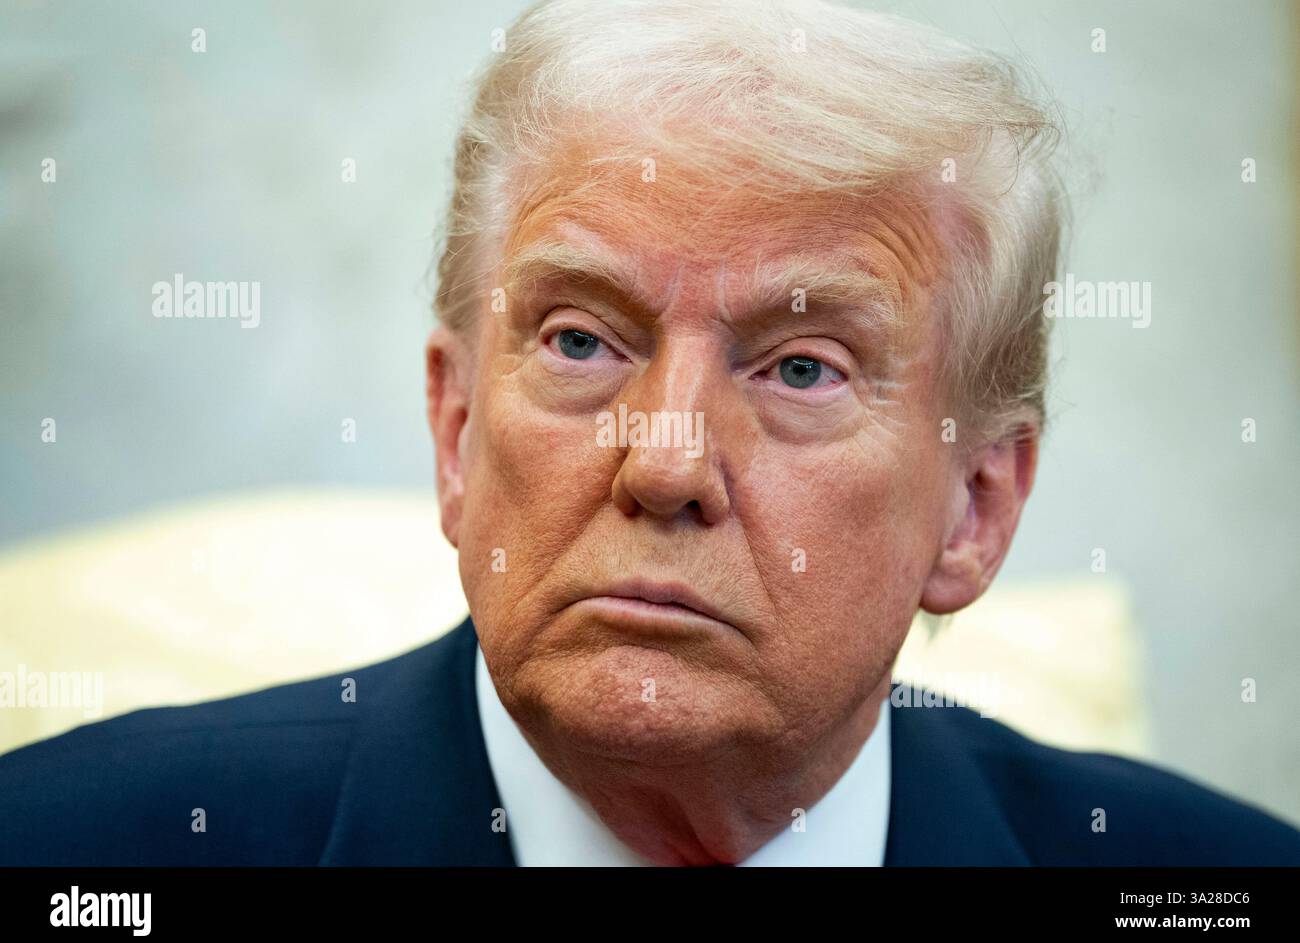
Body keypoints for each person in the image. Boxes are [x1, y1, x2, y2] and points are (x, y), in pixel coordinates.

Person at [2, 0, 1297, 866]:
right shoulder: (74, 849)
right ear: (456, 433)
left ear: (976, 507)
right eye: (580, 341)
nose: (667, 462)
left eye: (801, 366)